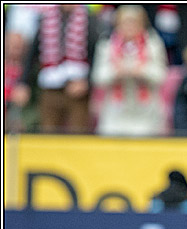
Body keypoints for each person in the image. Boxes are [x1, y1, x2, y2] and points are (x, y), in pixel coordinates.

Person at [10, 4, 100, 134]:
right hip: (50, 86)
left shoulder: (89, 19)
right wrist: (23, 83)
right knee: (48, 131)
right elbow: (32, 53)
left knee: (78, 133)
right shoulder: (46, 18)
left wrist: (87, 82)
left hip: (77, 88)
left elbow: (95, 54)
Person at [91, 5, 168, 137]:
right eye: (125, 22)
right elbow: (98, 78)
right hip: (115, 113)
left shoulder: (153, 44)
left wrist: (142, 71)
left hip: (146, 113)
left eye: (133, 22)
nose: (129, 26)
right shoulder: (107, 44)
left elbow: (161, 76)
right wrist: (115, 72)